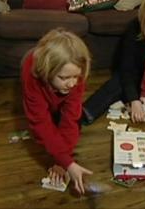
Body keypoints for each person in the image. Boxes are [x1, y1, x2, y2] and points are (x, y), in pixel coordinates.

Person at [82, 0, 145, 124]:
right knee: (119, 81)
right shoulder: (134, 28)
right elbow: (126, 69)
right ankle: (84, 114)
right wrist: (134, 99)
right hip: (139, 77)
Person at [21, 28, 93, 195]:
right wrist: (67, 162)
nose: (71, 84)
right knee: (46, 119)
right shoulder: (32, 76)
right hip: (34, 64)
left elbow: (71, 120)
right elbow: (40, 123)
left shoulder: (76, 76)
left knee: (70, 118)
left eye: (75, 77)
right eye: (64, 78)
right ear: (48, 72)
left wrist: (62, 161)